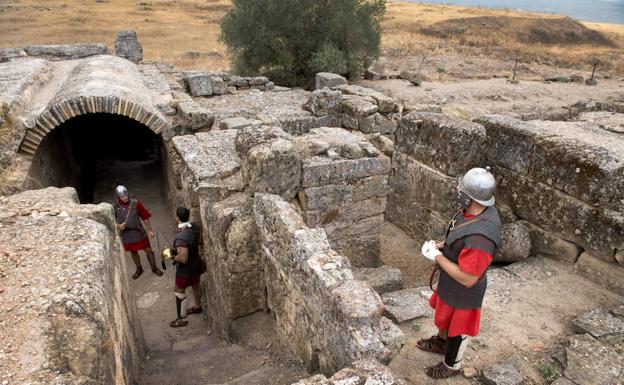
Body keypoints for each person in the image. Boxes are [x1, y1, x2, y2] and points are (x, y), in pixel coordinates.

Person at [417, 167, 502, 379]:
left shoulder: (481, 240)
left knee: (459, 328)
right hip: (450, 280)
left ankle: (452, 365)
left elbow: (468, 277)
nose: (457, 189)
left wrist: (436, 257)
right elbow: (459, 235)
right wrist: (439, 246)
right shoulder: (471, 212)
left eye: (461, 188)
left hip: (465, 291)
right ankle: (441, 342)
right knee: (445, 319)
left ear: (469, 197)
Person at [113, 185, 163, 279]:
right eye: (122, 196)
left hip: (139, 231)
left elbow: (144, 217)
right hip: (127, 234)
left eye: (126, 195)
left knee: (148, 250)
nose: (125, 197)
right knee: (133, 252)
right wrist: (119, 226)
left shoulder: (135, 203)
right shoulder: (115, 207)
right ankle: (139, 269)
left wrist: (150, 230)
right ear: (118, 197)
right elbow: (111, 220)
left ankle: (154, 267)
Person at [169, 206, 205, 328]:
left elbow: (183, 259)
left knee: (178, 290)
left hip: (186, 270)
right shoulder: (195, 227)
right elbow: (199, 241)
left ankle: (181, 319)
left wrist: (172, 256)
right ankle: (197, 307)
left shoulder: (180, 238)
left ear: (177, 218)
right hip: (197, 263)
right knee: (196, 284)